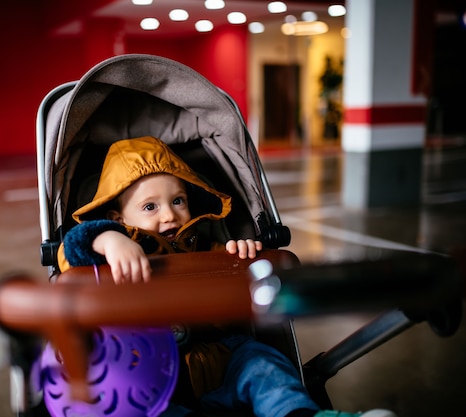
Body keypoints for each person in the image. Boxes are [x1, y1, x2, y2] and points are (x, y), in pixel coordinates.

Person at [58, 136, 396, 417]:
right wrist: (107, 239)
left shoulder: (207, 245)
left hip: (223, 359)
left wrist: (243, 253)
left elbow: (245, 276)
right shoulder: (112, 250)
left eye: (178, 200)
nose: (170, 215)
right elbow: (68, 255)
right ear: (118, 217)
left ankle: (299, 414)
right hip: (152, 375)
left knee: (263, 366)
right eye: (150, 207)